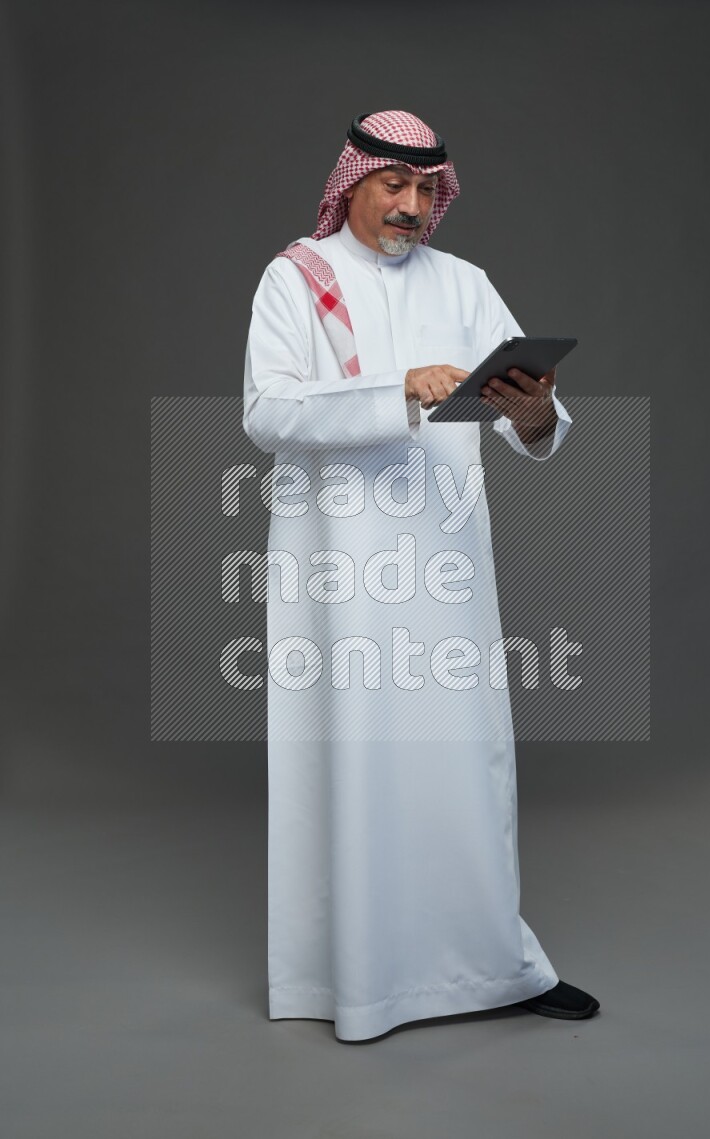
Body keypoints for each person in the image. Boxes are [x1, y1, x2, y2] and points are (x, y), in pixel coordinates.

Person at [242, 110, 599, 1041]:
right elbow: (268, 411)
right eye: (391, 185)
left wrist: (533, 414)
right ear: (350, 182)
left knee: (463, 763)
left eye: (424, 189)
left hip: (444, 565)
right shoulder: (296, 278)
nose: (409, 205)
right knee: (358, 759)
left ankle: (492, 964)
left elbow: (539, 426)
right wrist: (398, 388)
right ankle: (357, 981)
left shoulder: (466, 283)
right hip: (340, 570)